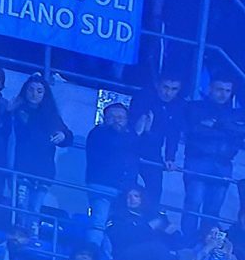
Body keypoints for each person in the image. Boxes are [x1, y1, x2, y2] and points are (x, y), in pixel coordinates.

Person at [183, 76, 245, 241]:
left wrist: (218, 125)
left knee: (214, 208)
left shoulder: (235, 113)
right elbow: (195, 131)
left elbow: (241, 133)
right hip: (198, 161)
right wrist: (229, 129)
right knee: (193, 203)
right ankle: (187, 241)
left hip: (223, 164)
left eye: (227, 91)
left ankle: (206, 242)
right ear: (210, 88)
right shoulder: (195, 107)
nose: (223, 94)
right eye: (219, 89)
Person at [7, 74, 73, 214]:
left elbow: (68, 137)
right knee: (19, 207)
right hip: (21, 167)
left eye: (39, 91)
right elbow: (3, 130)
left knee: (35, 209)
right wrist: (7, 112)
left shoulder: (51, 115)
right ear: (25, 91)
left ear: (45, 94)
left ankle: (32, 229)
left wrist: (63, 135)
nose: (34, 94)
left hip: (43, 170)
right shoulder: (16, 110)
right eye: (31, 89)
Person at [85, 104, 141, 244]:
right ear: (105, 118)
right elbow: (114, 148)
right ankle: (92, 251)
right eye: (112, 117)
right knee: (98, 222)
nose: (117, 120)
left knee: (115, 225)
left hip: (123, 188)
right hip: (101, 185)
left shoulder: (129, 136)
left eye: (120, 117)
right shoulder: (98, 133)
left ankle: (106, 253)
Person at [129, 73, 186, 205]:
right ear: (157, 85)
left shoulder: (178, 106)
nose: (168, 93)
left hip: (153, 151)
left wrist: (170, 157)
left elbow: (173, 134)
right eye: (165, 87)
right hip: (131, 148)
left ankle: (151, 215)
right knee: (128, 186)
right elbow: (133, 126)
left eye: (174, 89)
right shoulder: (143, 97)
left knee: (155, 190)